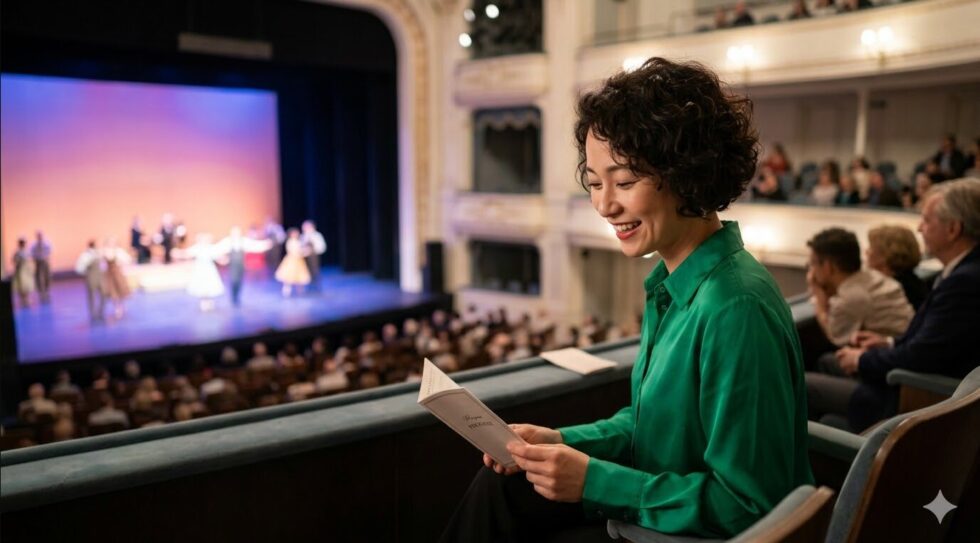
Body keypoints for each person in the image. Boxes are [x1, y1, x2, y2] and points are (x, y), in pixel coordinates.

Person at [440, 57, 813, 542]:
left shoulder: (735, 306)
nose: (604, 205)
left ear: (687, 173)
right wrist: (561, 441)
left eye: (624, 182)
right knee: (503, 485)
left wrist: (595, 481)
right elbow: (650, 426)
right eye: (596, 183)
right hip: (659, 517)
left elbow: (751, 506)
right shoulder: (672, 284)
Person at [810, 178, 980, 432]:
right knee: (828, 361)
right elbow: (935, 343)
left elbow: (920, 357)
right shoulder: (963, 272)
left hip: (913, 399)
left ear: (953, 229)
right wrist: (887, 342)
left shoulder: (964, 282)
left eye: (926, 221)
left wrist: (862, 359)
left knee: (802, 385)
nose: (919, 228)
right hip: (918, 383)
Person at [805, 228, 913, 348]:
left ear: (828, 266)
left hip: (895, 352)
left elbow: (835, 336)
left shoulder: (849, 298)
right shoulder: (872, 275)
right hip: (906, 343)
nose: (811, 271)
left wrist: (819, 301)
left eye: (812, 264)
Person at [865, 224, 928, 309]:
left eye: (871, 247)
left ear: (886, 254)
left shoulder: (892, 292)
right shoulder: (915, 283)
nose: (866, 252)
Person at [213, 227, 272, 307]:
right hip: (232, 265)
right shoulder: (228, 242)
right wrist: (221, 259)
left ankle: (237, 297)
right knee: (234, 280)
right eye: (234, 233)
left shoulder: (243, 241)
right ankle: (233, 297)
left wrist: (266, 244)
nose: (236, 234)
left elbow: (255, 245)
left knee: (239, 281)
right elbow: (218, 249)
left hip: (240, 265)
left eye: (237, 233)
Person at [75, 240, 106, 322]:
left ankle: (100, 311)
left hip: (100, 276)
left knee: (104, 293)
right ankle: (93, 313)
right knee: (91, 295)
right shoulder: (86, 255)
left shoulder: (98, 254)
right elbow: (79, 268)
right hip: (91, 276)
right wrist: (87, 273)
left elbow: (103, 265)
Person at [275, 228, 311, 297]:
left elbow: (300, 250)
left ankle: (300, 292)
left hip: (299, 260)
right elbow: (295, 251)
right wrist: (304, 252)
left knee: (300, 277)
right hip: (292, 260)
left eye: (297, 233)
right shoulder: (290, 242)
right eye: (294, 233)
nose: (296, 234)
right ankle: (286, 292)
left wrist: (305, 251)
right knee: (289, 277)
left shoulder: (298, 241)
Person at [101, 237, 132, 319]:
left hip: (118, 274)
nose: (111, 244)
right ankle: (117, 307)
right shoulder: (104, 252)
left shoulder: (119, 251)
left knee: (120, 289)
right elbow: (102, 264)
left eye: (113, 242)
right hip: (109, 275)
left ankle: (122, 305)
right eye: (110, 242)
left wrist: (121, 265)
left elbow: (128, 259)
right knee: (112, 291)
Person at [301, 220, 327, 292]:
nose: (304, 228)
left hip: (314, 256)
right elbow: (301, 246)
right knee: (307, 271)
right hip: (305, 256)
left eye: (306, 226)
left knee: (315, 270)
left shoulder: (316, 235)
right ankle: (310, 287)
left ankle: (317, 286)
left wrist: (312, 250)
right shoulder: (303, 236)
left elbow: (322, 247)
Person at [11, 237, 35, 308]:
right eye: (21, 243)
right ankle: (22, 299)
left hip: (27, 270)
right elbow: (14, 260)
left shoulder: (27, 251)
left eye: (23, 243)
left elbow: (30, 259)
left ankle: (27, 299)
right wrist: (19, 261)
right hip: (20, 270)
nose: (23, 244)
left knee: (27, 284)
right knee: (21, 285)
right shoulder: (17, 252)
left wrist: (30, 268)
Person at [30, 230, 52, 303]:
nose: (39, 236)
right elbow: (32, 253)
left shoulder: (46, 243)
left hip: (45, 261)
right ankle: (41, 293)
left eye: (40, 235)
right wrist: (35, 259)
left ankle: (47, 292)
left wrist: (46, 257)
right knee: (39, 278)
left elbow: (49, 250)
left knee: (47, 277)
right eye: (38, 235)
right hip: (38, 262)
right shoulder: (34, 245)